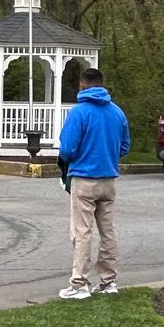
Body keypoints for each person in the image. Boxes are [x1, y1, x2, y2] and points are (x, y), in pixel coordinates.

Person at [56, 66, 131, 299]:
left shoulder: (79, 112)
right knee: (107, 231)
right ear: (102, 84)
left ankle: (80, 284)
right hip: (108, 178)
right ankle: (109, 281)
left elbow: (67, 148)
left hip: (83, 178)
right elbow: (125, 147)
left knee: (82, 231)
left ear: (82, 85)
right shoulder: (117, 112)